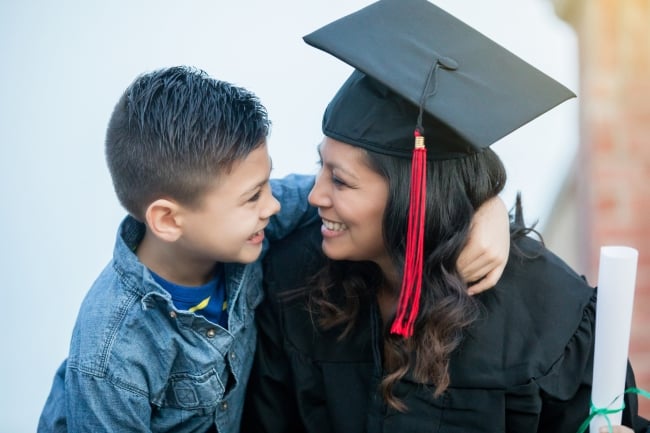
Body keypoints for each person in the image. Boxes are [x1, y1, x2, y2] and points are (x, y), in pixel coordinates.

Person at [242, 1, 649, 432]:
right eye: (320, 166)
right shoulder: (294, 281)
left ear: (416, 194)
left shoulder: (551, 315)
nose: (314, 195)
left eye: (340, 181)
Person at [37, 66, 510, 432]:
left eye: (266, 184)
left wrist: (485, 205)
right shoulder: (112, 351)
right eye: (252, 197)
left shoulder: (245, 224)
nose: (275, 204)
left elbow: (378, 202)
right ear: (168, 220)